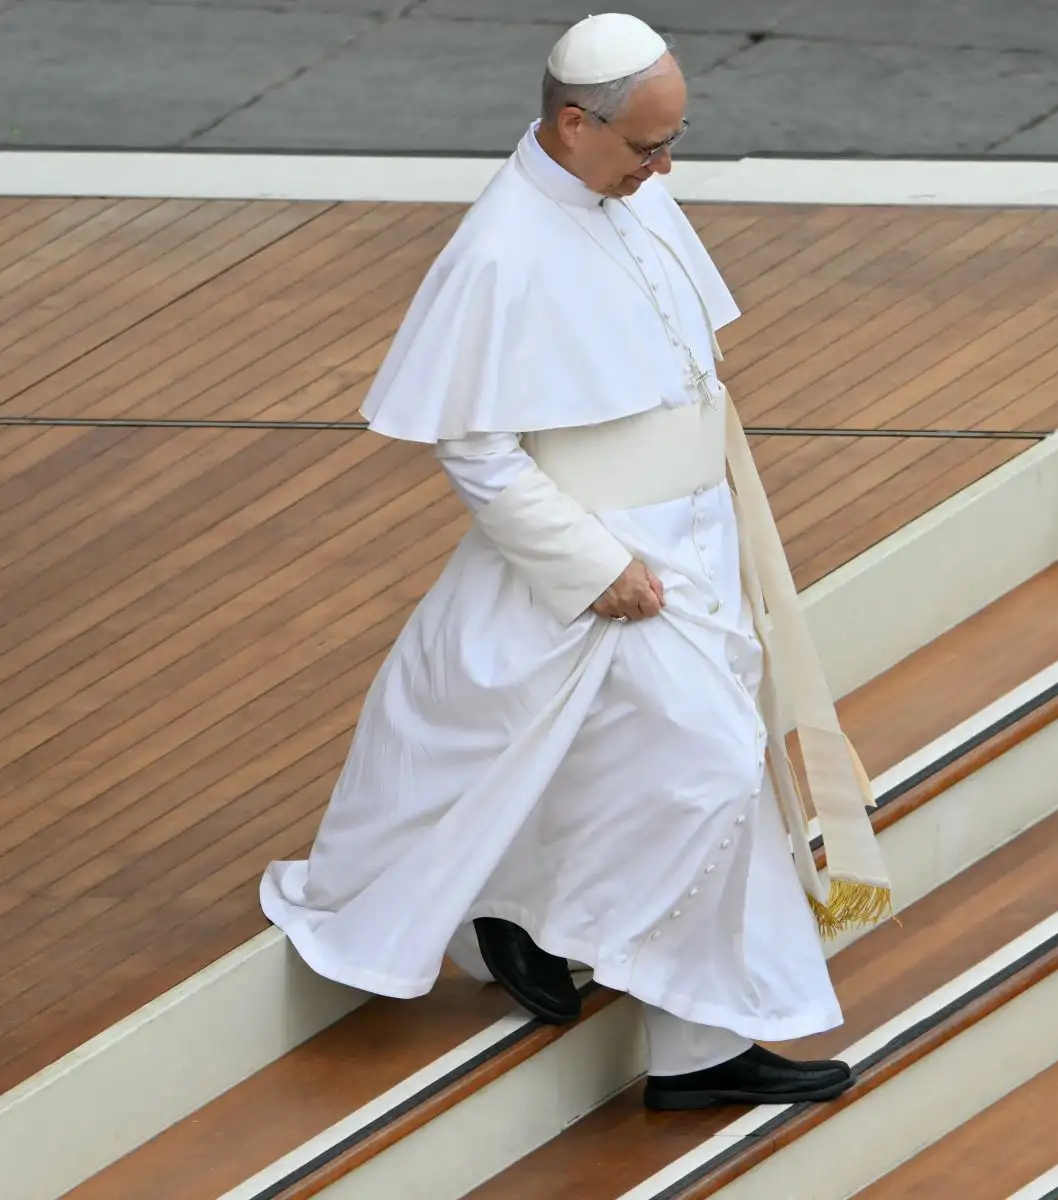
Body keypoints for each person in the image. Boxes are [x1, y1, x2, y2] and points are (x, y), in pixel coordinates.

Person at [259, 12, 891, 1112]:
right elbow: (475, 446)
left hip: (698, 539)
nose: (665, 167)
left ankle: (694, 1048)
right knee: (706, 767)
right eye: (648, 145)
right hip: (610, 563)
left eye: (673, 141)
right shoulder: (500, 248)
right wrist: (593, 565)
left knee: (693, 768)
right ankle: (527, 919)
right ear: (571, 124)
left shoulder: (631, 193)